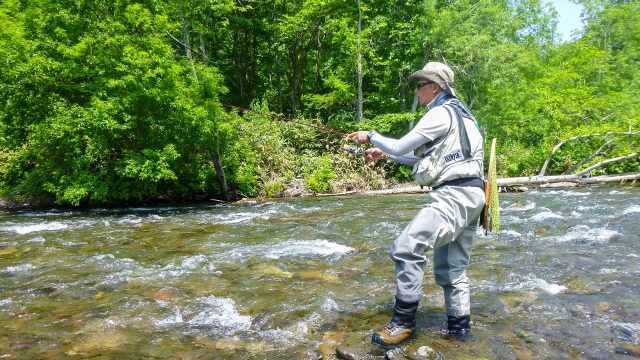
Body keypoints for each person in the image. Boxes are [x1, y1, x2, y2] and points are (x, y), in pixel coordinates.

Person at [347, 62, 485, 349]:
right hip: (473, 196)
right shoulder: (464, 116)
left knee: (406, 248)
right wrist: (386, 156)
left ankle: (403, 324)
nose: (416, 89)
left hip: (452, 196)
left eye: (420, 84)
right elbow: (431, 157)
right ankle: (460, 334)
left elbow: (399, 145)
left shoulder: (439, 113)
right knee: (453, 270)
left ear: (436, 87)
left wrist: (371, 136)